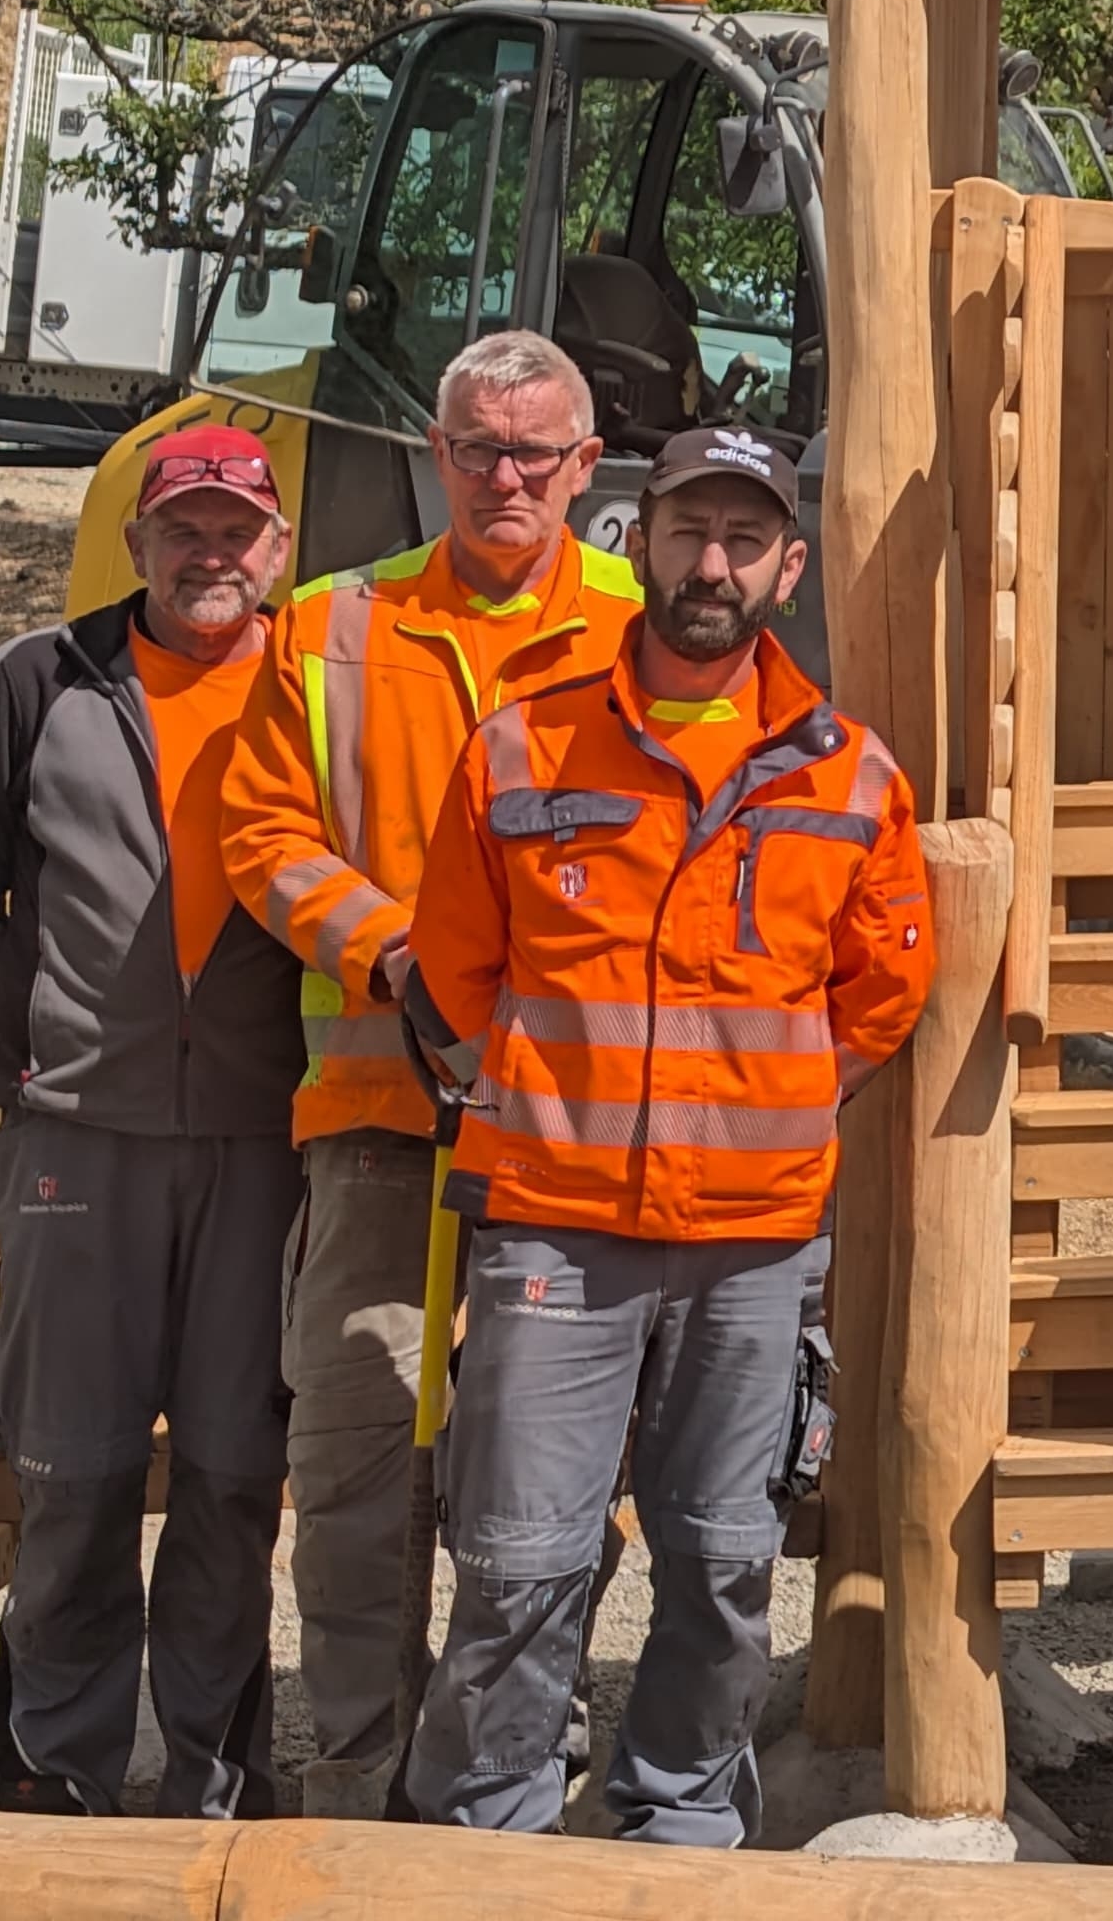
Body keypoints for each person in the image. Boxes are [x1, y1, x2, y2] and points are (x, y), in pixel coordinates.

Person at [396, 424, 934, 1841]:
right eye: (689, 530)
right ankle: (491, 1839)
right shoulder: (522, 743)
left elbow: (884, 993)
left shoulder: (853, 777)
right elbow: (452, 971)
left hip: (752, 1251)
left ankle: (679, 1831)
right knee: (515, 1562)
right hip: (553, 1232)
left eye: (744, 540)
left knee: (720, 1556)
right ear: (634, 539)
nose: (712, 564)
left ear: (788, 564)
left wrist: (771, 1114)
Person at [211, 331, 640, 1815]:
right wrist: (402, 955)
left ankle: (514, 1765)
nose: (503, 476)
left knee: (546, 1481)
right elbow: (263, 837)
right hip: (384, 1126)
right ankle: (359, 1777)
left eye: (534, 452)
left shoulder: (654, 630)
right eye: (476, 448)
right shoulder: (335, 626)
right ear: (433, 456)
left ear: (588, 468)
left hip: (573, 1144)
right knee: (350, 1468)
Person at [0, 426, 310, 1816]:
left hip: (263, 1144)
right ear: (136, 544)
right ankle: (61, 1767)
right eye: (184, 530)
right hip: (79, 1137)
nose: (213, 554)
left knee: (232, 1470)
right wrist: (41, 1019)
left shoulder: (318, 690)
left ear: (279, 551)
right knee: (70, 1467)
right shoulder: (43, 683)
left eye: (238, 531)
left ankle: (209, 1769)